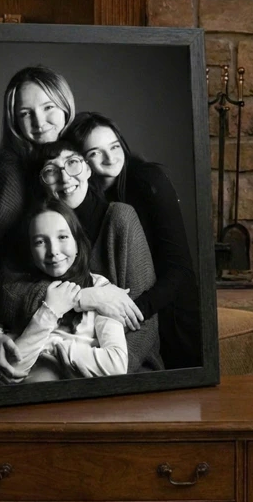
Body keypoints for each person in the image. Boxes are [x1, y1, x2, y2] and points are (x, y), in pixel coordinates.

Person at [0, 138, 163, 381]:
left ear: (87, 167)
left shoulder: (120, 218)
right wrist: (84, 297)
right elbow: (9, 295)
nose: (65, 178)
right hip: (53, 369)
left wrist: (118, 378)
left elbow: (140, 317)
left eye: (73, 163)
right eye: (51, 171)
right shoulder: (34, 224)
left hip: (122, 366)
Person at [0, 65, 77, 386]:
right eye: (25, 113)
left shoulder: (72, 160)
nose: (40, 122)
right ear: (13, 120)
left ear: (66, 107)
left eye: (48, 108)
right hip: (17, 322)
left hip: (64, 321)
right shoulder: (10, 171)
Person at [65, 112, 202, 369]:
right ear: (79, 161)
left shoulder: (149, 182)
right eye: (95, 152)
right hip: (115, 322)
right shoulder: (80, 199)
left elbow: (180, 269)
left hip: (169, 312)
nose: (111, 157)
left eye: (115, 146)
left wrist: (126, 313)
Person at [0, 200, 128, 383]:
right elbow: (11, 373)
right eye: (40, 241)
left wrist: (52, 347)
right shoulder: (21, 294)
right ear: (30, 251)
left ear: (77, 242)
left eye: (62, 237)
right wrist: (49, 311)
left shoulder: (99, 287)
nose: (53, 251)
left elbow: (116, 365)